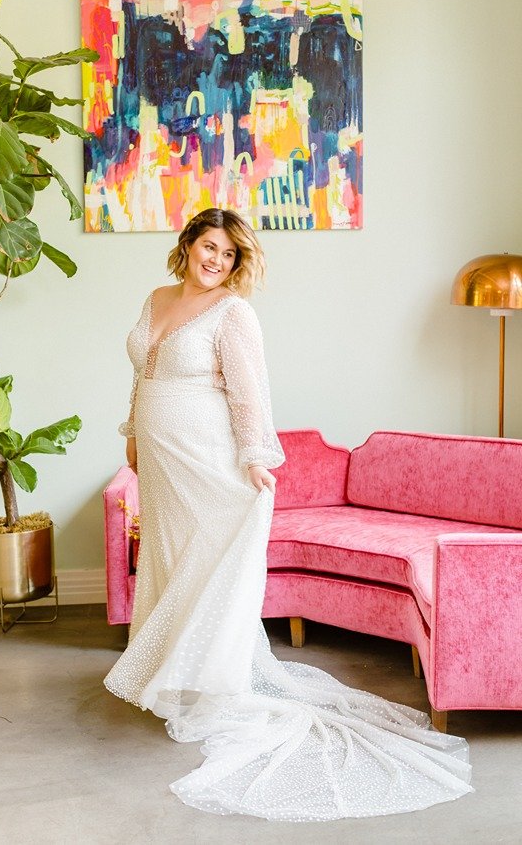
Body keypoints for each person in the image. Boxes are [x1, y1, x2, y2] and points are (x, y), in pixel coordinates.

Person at [105, 208, 473, 821]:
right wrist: (132, 435)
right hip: (162, 463)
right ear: (189, 244)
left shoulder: (233, 313)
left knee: (206, 565)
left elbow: (250, 392)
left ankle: (210, 685)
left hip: (208, 459)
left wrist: (255, 461)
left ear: (236, 263)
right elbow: (145, 373)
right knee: (171, 560)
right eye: (208, 247)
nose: (215, 260)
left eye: (227, 254)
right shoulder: (156, 297)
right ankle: (178, 676)